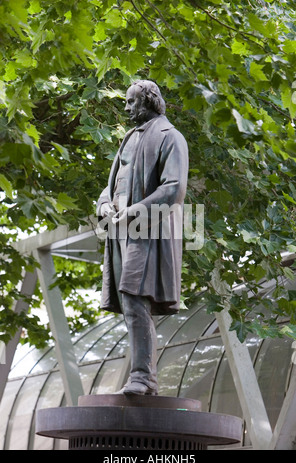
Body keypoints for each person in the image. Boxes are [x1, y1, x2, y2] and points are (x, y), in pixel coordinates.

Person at [96, 80, 189, 395]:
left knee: (135, 297)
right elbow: (110, 187)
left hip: (148, 230)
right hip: (121, 231)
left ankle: (143, 378)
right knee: (128, 300)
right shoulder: (128, 139)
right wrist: (105, 205)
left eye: (131, 101)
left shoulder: (170, 137)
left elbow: (173, 189)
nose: (126, 108)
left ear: (149, 102)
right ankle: (142, 377)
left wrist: (135, 211)